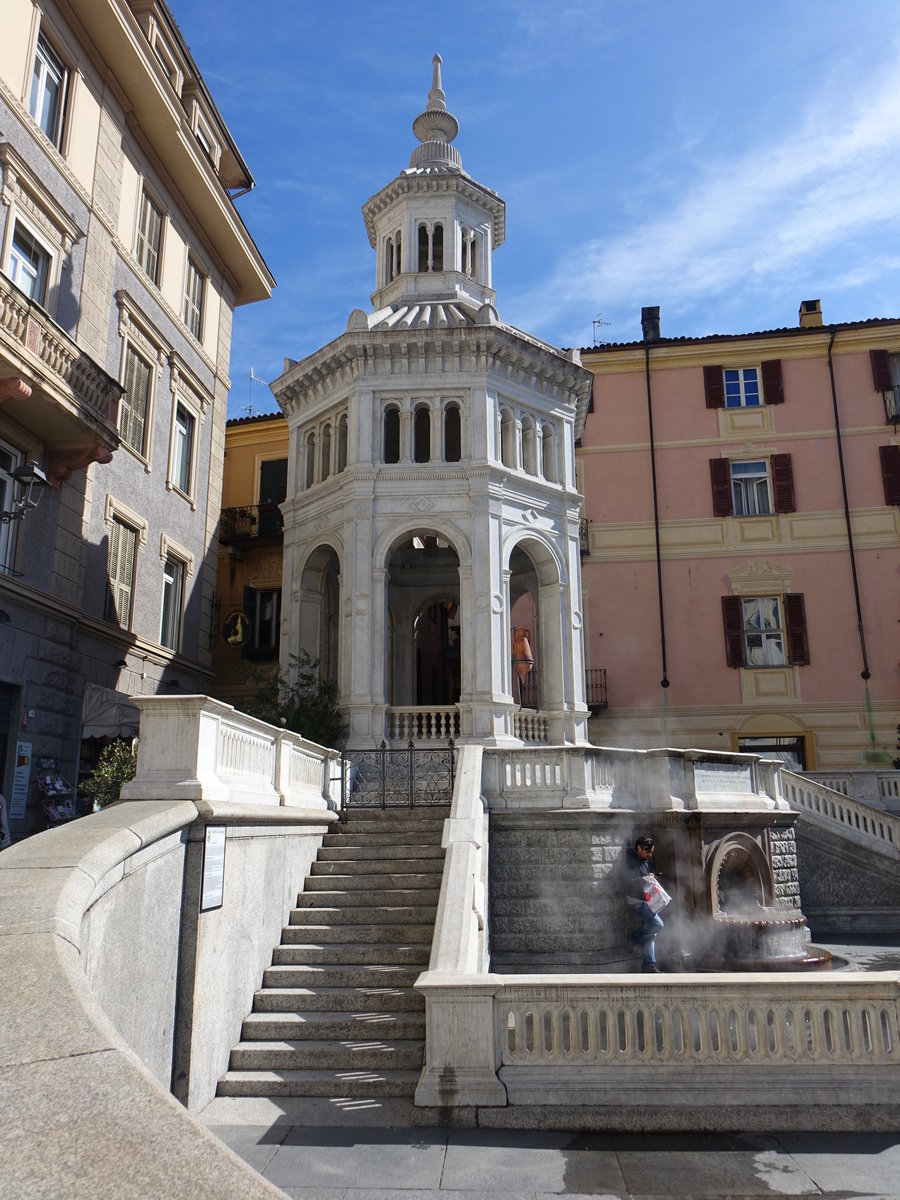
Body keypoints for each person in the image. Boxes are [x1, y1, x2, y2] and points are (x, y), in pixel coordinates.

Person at [622, 835, 664, 972]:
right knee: (658, 924)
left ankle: (649, 965)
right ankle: (633, 937)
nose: (649, 855)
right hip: (636, 900)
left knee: (651, 934)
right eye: (647, 852)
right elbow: (628, 883)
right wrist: (645, 879)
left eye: (651, 852)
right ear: (639, 848)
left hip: (647, 899)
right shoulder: (630, 861)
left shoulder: (646, 860)